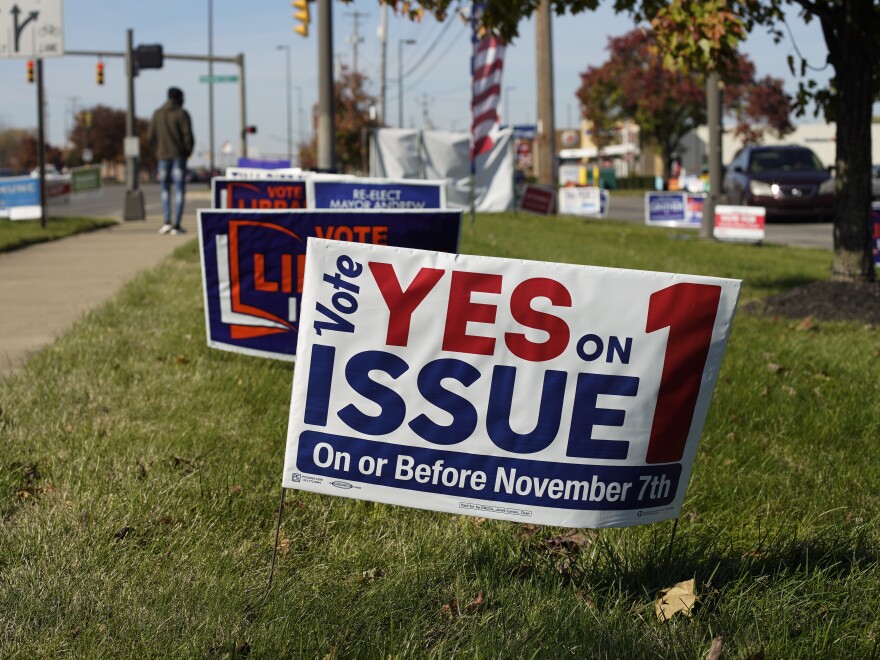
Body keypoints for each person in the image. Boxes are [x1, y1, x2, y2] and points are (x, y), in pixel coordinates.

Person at [149, 87, 194, 235]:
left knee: (165, 190)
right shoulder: (182, 114)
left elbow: (151, 137)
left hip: (162, 156)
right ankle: (176, 225)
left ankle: (166, 222)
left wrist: (157, 152)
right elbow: (188, 136)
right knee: (179, 190)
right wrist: (187, 152)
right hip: (178, 156)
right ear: (179, 98)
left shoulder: (158, 114)